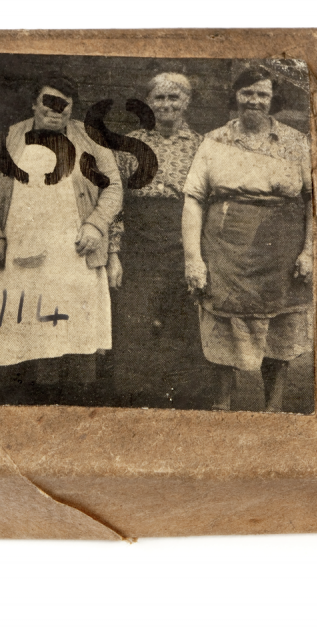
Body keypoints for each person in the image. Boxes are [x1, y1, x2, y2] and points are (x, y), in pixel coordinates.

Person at [0, 74, 122, 404]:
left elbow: (113, 186)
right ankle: (33, 405)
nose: (55, 110)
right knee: (27, 328)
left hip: (72, 252)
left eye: (63, 104)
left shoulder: (90, 138)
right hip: (19, 251)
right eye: (48, 102)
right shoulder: (9, 138)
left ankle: (75, 406)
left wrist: (96, 226)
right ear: (34, 104)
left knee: (74, 331)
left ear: (72, 108)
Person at [181, 68, 312, 412]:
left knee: (279, 324)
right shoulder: (215, 141)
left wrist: (309, 250)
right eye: (247, 93)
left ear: (273, 101)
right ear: (235, 97)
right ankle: (222, 406)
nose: (254, 100)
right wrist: (193, 259)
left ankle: (274, 409)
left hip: (280, 251)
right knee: (224, 319)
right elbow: (194, 197)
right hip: (225, 251)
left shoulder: (295, 142)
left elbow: (315, 200)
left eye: (262, 95)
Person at [108, 72, 214, 408]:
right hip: (139, 243)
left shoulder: (201, 145)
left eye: (174, 98)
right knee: (134, 319)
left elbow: (206, 202)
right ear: (148, 103)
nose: (166, 105)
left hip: (183, 238)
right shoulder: (129, 144)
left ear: (187, 102)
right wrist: (115, 252)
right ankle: (135, 400)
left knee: (182, 320)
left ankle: (184, 402)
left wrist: (199, 254)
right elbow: (115, 201)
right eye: (159, 98)